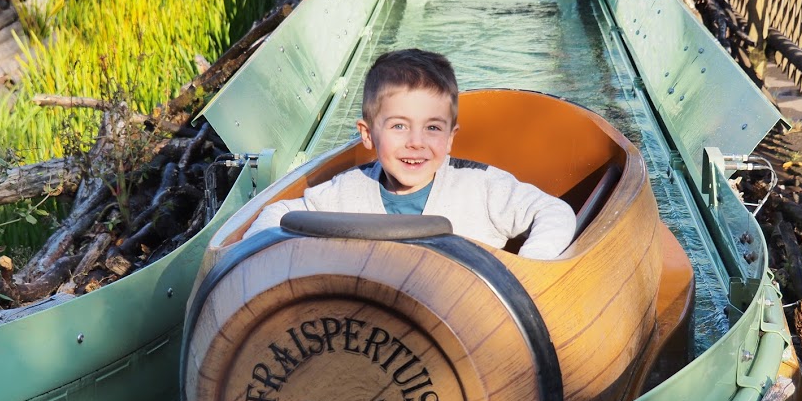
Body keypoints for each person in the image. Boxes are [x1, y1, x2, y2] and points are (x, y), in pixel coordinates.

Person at [243, 49, 576, 260]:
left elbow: (553, 211)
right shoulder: (346, 192)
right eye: (399, 127)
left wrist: (531, 267)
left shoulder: (481, 188)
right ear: (368, 135)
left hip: (472, 333)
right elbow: (280, 215)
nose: (416, 142)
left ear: (450, 139)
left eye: (432, 128)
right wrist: (269, 256)